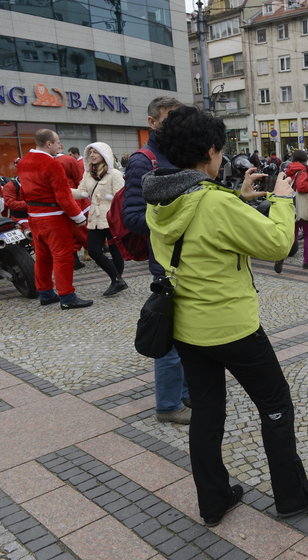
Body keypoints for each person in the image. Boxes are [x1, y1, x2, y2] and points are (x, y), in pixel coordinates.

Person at [143, 105, 308, 526]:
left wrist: (239, 198)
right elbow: (276, 244)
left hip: (188, 328)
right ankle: (292, 495)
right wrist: (283, 200)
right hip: (232, 327)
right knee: (276, 405)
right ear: (211, 150)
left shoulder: (162, 194)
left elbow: (202, 222)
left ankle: (214, 500)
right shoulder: (211, 203)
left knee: (208, 415)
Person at [123, 96, 191, 425]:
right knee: (170, 338)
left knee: (189, 334)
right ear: (152, 122)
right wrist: (178, 215)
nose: (177, 125)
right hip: (166, 263)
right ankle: (168, 405)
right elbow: (133, 218)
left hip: (190, 259)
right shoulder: (143, 161)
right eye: (170, 119)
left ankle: (187, 393)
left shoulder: (180, 153)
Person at [17, 129, 91, 308]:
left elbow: (23, 193)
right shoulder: (52, 164)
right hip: (54, 218)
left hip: (34, 217)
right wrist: (78, 217)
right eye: (58, 142)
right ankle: (67, 297)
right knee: (62, 256)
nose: (61, 145)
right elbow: (63, 196)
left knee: (42, 256)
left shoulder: (23, 162)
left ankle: (46, 293)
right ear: (48, 144)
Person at [71, 142, 127, 296]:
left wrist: (104, 197)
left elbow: (121, 196)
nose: (92, 155)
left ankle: (117, 280)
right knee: (94, 250)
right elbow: (82, 192)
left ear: (105, 154)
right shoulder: (88, 173)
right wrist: (64, 190)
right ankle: (117, 279)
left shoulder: (114, 174)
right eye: (91, 152)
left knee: (115, 251)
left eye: (96, 152)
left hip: (111, 216)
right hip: (95, 217)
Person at [286, 150, 308, 269]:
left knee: (291, 234)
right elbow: (302, 186)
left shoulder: (289, 169)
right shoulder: (303, 170)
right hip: (303, 205)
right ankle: (307, 261)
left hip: (291, 204)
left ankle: (280, 256)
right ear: (305, 159)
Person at [2, 158, 26, 223]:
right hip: (21, 219)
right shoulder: (11, 186)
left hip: (40, 216)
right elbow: (11, 204)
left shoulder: (38, 183)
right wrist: (31, 203)